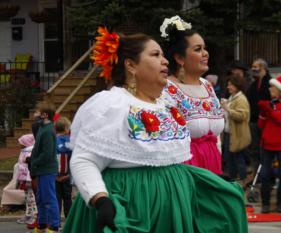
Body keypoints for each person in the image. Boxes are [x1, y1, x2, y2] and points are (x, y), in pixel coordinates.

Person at [62, 27, 247, 233]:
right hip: (134, 205)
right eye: (155, 54)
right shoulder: (112, 105)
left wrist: (205, 178)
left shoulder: (166, 104)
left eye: (162, 54)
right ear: (131, 65)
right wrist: (99, 198)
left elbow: (167, 160)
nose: (165, 60)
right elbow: (84, 159)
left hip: (173, 207)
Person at [160, 15, 224, 175]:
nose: (205, 53)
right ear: (180, 58)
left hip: (213, 168)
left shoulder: (208, 86)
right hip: (186, 170)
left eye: (204, 48)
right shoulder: (166, 89)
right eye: (198, 49)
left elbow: (217, 138)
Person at [257, 76, 281, 213]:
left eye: (272, 87)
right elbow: (261, 125)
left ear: (280, 90)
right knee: (265, 175)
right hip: (268, 145)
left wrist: (270, 110)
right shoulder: (270, 104)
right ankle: (265, 204)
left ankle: (280, 203)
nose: (269, 89)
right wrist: (263, 113)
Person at [28, 101, 60, 233]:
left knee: (49, 197)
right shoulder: (42, 127)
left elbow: (47, 154)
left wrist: (34, 162)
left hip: (47, 169)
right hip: (41, 169)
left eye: (38, 112)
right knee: (41, 198)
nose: (36, 114)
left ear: (45, 115)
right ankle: (42, 224)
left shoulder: (48, 131)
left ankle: (54, 226)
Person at [220, 75, 251, 184]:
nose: (228, 87)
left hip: (237, 135)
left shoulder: (241, 99)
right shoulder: (233, 97)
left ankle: (242, 181)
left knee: (238, 159)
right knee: (230, 159)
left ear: (237, 86)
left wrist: (227, 109)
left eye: (231, 85)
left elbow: (242, 116)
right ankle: (233, 181)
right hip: (230, 133)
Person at [246, 58, 271, 173]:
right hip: (253, 122)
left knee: (266, 149)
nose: (253, 69)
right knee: (254, 149)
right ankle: (257, 174)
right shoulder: (253, 85)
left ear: (263, 68)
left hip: (267, 122)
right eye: (252, 66)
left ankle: (267, 173)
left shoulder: (271, 83)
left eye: (256, 66)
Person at [16, 134, 38, 226]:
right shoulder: (24, 151)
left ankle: (34, 216)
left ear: (26, 143)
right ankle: (28, 214)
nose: (18, 144)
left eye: (20, 142)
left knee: (32, 198)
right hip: (24, 179)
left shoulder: (29, 152)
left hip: (29, 179)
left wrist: (29, 179)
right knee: (27, 198)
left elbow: (29, 166)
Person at [55, 117, 72, 219]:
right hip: (66, 175)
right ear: (66, 128)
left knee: (56, 198)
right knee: (67, 198)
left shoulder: (52, 140)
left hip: (54, 176)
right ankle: (68, 219)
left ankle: (56, 222)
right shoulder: (70, 141)